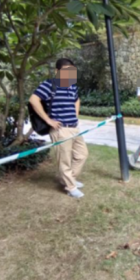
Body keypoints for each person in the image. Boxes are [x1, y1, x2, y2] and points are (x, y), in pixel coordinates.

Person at [29, 58, 88, 198]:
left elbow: (76, 100)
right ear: (57, 71)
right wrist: (48, 120)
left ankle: (68, 179)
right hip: (60, 130)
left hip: (74, 128)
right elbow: (33, 100)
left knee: (82, 154)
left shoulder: (72, 85)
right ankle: (70, 187)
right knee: (64, 160)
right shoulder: (50, 84)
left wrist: (75, 116)